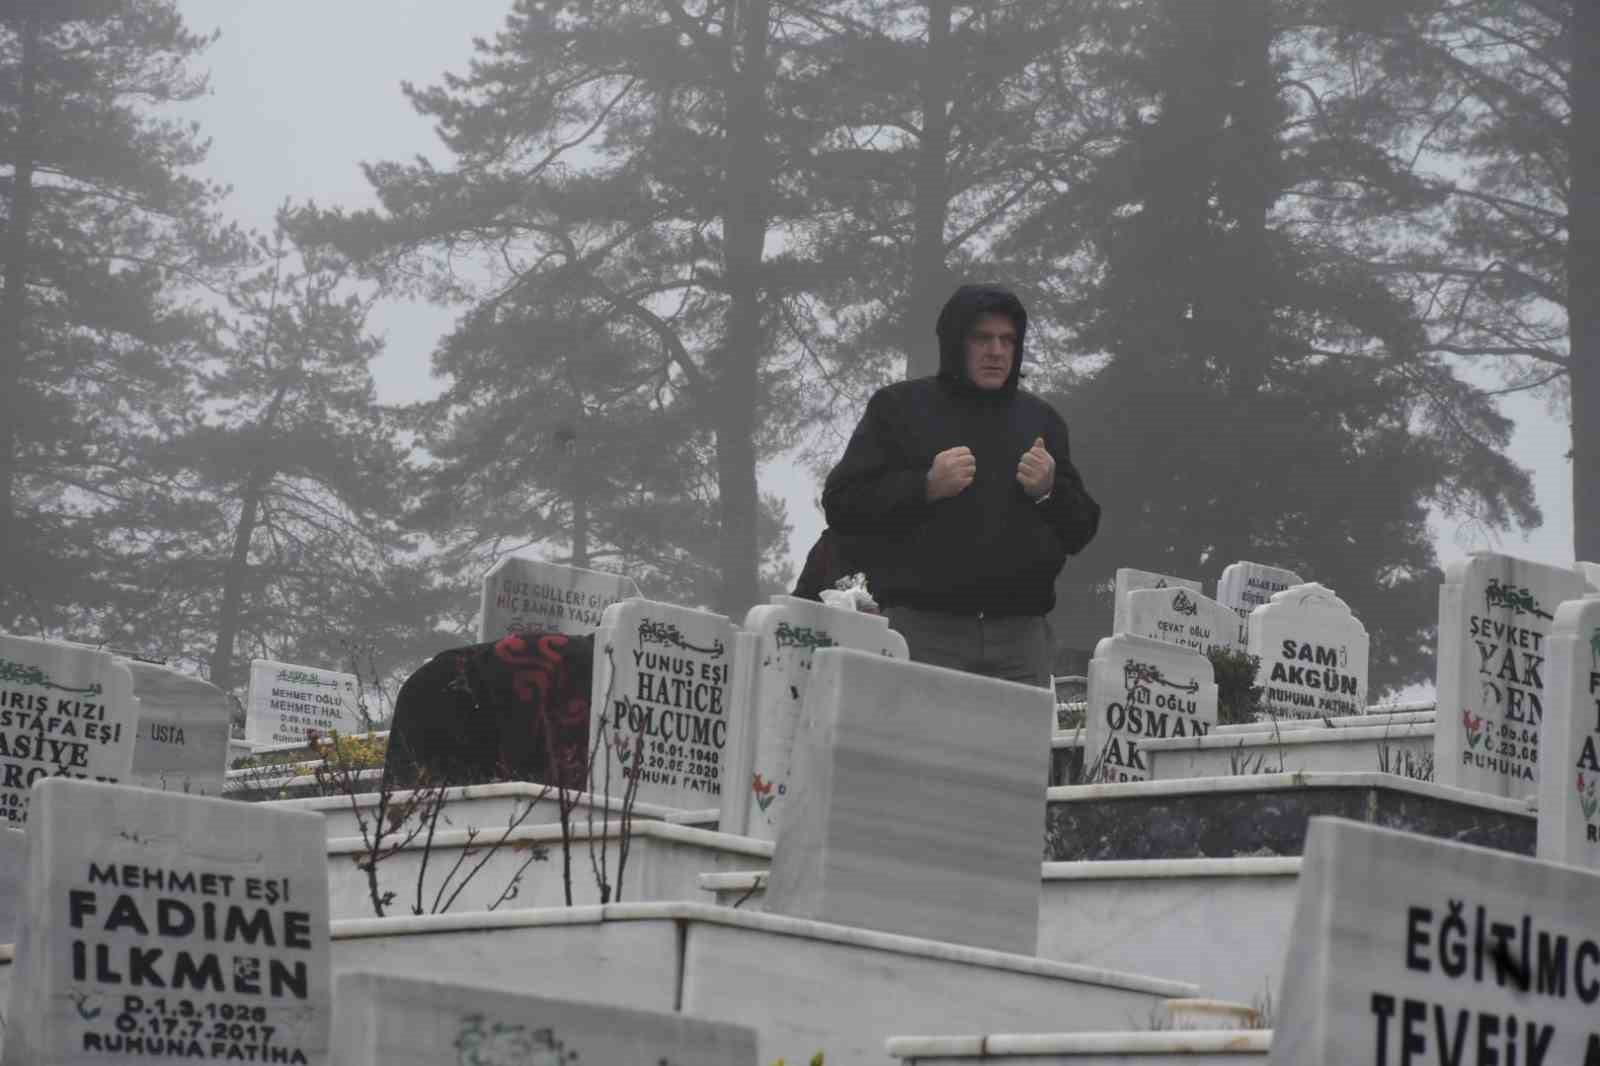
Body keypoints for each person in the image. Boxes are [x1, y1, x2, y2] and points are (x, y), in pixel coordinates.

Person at [821, 283, 1100, 686]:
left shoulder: (1042, 422)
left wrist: (1050, 492)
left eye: (1008, 340)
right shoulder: (899, 409)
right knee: (918, 751)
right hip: (923, 632)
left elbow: (1081, 530)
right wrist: (924, 486)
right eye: (982, 338)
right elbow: (842, 503)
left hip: (1020, 641)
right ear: (955, 343)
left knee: (1015, 752)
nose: (996, 351)